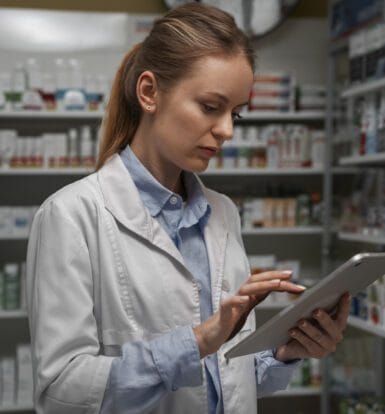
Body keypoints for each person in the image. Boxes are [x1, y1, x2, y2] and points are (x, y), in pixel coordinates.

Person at [26, 3, 350, 414]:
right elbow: (60, 391)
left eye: (236, 113)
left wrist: (287, 351)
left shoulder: (224, 213)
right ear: (149, 92)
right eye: (211, 107)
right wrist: (198, 341)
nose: (227, 130)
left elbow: (228, 380)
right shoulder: (71, 215)